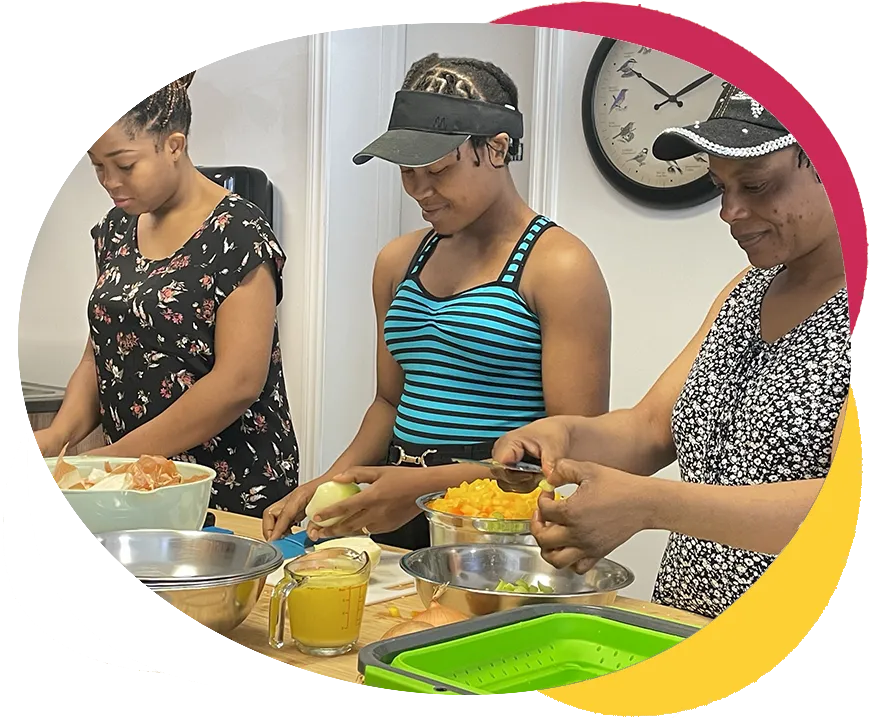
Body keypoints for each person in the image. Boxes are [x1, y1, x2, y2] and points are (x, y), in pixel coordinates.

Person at [492, 82, 852, 620]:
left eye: (755, 185)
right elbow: (650, 429)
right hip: (688, 626)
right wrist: (563, 434)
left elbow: (845, 504)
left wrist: (650, 504)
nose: (731, 212)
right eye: (720, 186)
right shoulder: (746, 291)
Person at [262, 53, 613, 547]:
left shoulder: (557, 266)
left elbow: (574, 452)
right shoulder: (398, 262)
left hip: (496, 523)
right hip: (395, 500)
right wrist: (329, 484)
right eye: (407, 172)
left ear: (496, 148)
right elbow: (388, 401)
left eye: (438, 170)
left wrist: (426, 485)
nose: (420, 191)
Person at [34, 72, 300, 517]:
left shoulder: (239, 231)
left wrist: (112, 458)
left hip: (228, 485)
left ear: (173, 146)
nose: (109, 181)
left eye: (124, 164)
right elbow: (102, 354)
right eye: (97, 166)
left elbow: (237, 383)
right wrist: (55, 438)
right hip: (134, 483)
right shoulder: (116, 228)